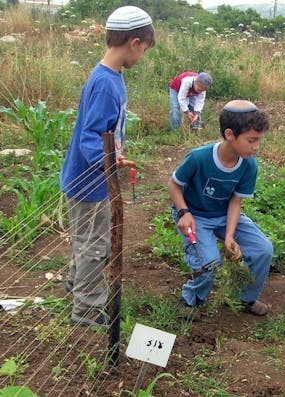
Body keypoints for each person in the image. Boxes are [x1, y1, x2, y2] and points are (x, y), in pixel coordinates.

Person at [60, 6, 156, 327]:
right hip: (90, 183)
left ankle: (77, 284)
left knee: (86, 240)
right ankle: (86, 309)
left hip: (93, 177)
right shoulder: (104, 83)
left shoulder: (111, 77)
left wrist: (113, 155)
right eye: (143, 49)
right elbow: (91, 137)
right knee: (94, 245)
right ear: (134, 42)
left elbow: (105, 133)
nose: (142, 55)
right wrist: (110, 161)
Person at [168, 99, 273, 321]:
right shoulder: (199, 157)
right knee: (209, 263)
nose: (256, 147)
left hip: (224, 216)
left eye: (259, 141)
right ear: (229, 135)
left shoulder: (248, 164)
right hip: (194, 215)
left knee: (263, 249)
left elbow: (235, 201)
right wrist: (183, 212)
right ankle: (191, 299)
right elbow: (174, 184)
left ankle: (244, 297)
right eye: (252, 140)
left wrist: (229, 237)